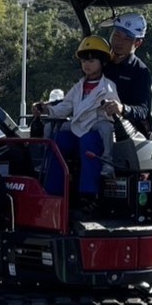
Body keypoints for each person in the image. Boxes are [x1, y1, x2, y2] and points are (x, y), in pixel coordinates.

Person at [33, 36, 119, 212]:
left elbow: (112, 114)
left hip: (95, 129)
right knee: (58, 140)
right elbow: (65, 106)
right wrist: (46, 109)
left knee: (88, 142)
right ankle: (53, 193)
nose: (87, 64)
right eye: (84, 61)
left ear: (102, 62)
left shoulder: (108, 87)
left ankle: (89, 195)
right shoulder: (79, 87)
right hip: (79, 127)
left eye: (92, 60)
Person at [102, 12, 152, 134]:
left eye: (127, 39)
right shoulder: (100, 62)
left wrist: (122, 108)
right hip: (93, 119)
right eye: (117, 35)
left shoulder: (140, 71)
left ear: (137, 43)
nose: (119, 42)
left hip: (122, 129)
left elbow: (142, 110)